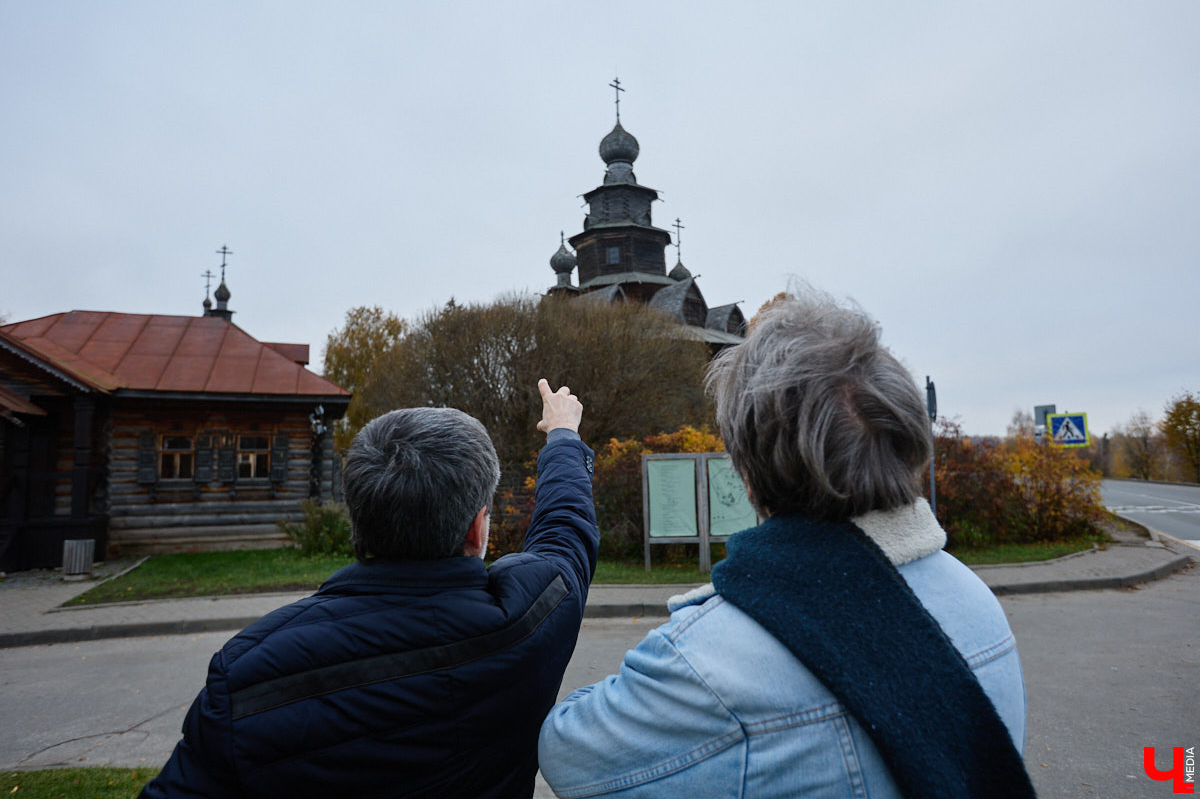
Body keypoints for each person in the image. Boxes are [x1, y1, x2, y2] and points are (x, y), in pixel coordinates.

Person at [539, 291, 1035, 798]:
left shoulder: (710, 658)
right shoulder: (976, 601)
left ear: (749, 476)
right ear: (907, 445)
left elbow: (567, 752)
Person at [142, 379, 598, 799]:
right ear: (478, 530)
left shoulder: (247, 673)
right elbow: (565, 531)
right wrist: (562, 435)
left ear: (358, 522)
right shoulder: (530, 621)